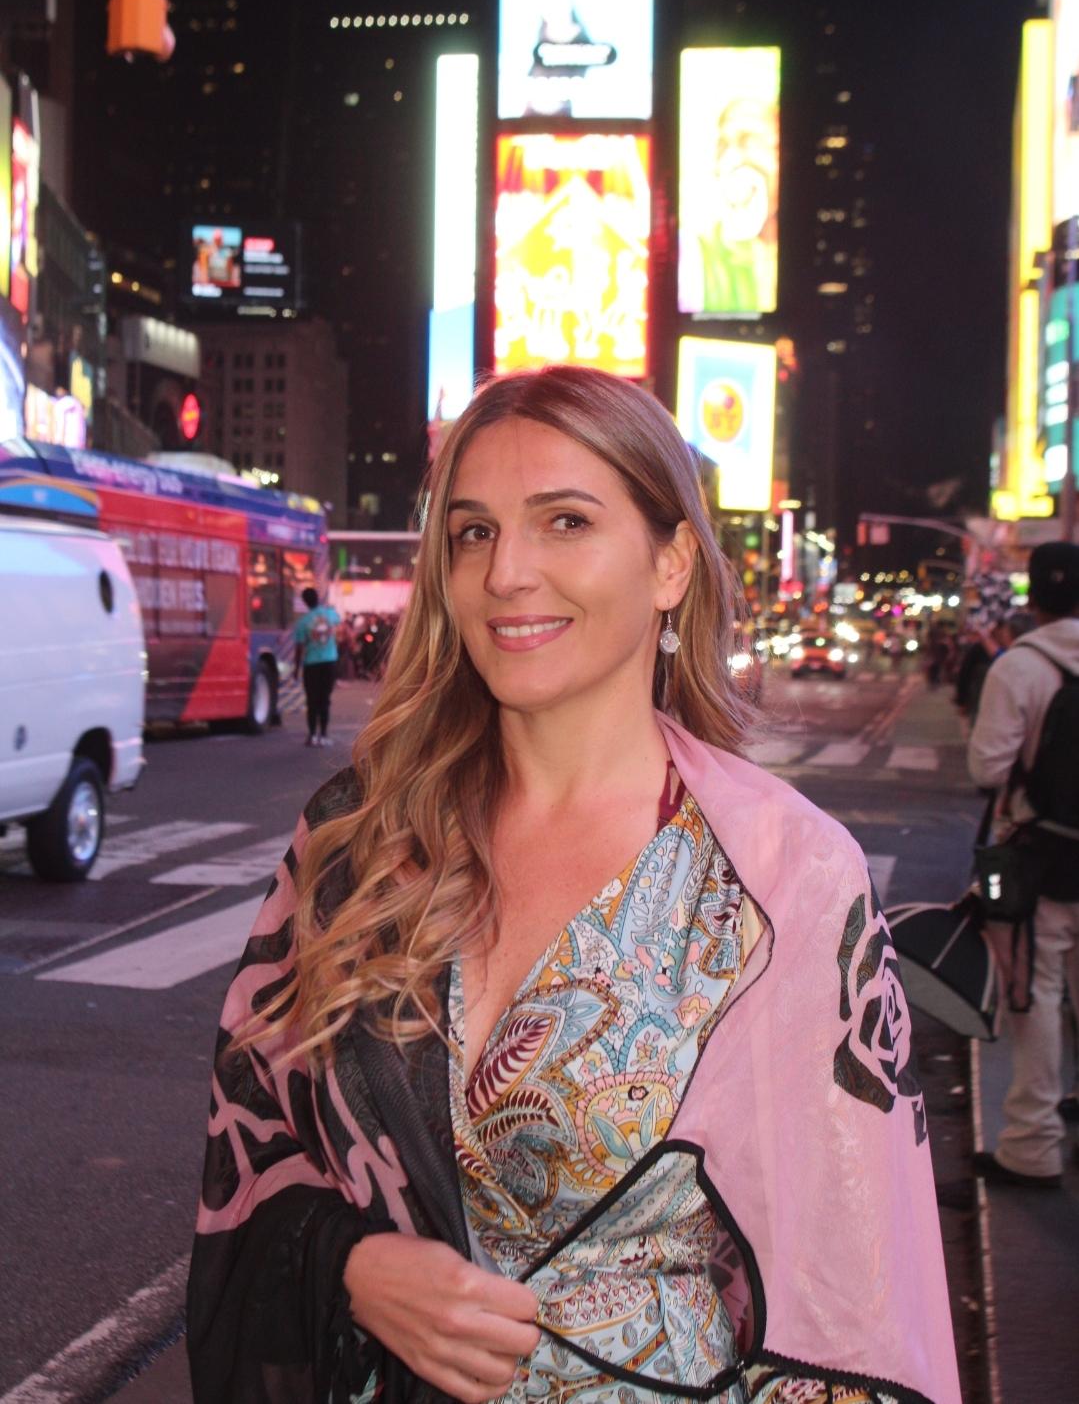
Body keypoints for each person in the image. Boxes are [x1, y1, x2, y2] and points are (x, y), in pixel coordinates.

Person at [187, 368, 960, 1404]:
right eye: (471, 532)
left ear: (669, 562)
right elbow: (250, 1135)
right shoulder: (356, 834)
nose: (507, 570)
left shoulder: (776, 877)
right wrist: (346, 1265)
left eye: (563, 521)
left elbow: (849, 1291)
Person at [969, 541, 1079, 1189]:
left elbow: (985, 767)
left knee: (1033, 989)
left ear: (1031, 597)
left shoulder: (1020, 667)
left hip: (1041, 858)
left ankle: (1032, 1144)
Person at [293, 585, 341, 746]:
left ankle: (312, 735)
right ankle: (324, 734)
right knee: (325, 699)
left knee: (312, 700)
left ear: (305, 602)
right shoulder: (330, 614)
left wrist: (296, 668)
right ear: (318, 598)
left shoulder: (303, 622)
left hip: (311, 664)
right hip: (330, 662)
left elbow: (299, 647)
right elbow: (338, 622)